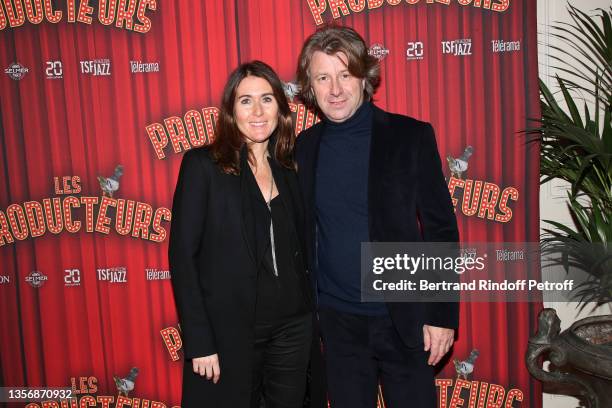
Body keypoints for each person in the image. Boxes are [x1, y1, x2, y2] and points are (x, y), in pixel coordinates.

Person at [295, 26, 460, 408]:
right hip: (338, 326)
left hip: (405, 320)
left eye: (345, 74)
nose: (335, 89)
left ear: (365, 78)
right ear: (310, 86)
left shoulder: (410, 137)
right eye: (323, 77)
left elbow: (440, 229)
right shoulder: (304, 149)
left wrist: (441, 314)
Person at [169, 60, 320, 408]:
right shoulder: (203, 166)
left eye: (267, 99)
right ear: (230, 109)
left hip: (292, 331)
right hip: (231, 330)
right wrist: (200, 341)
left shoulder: (290, 167)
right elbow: (182, 257)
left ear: (281, 109)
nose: (257, 111)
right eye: (245, 100)